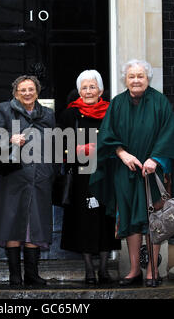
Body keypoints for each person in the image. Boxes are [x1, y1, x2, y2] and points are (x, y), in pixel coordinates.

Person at [89, 60, 174, 287]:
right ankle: (134, 271)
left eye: (140, 76)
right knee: (131, 218)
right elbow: (106, 135)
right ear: (125, 79)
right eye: (131, 76)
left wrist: (156, 158)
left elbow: (169, 133)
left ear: (147, 78)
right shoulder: (117, 104)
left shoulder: (160, 102)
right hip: (126, 170)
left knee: (155, 219)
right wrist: (122, 154)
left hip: (154, 171)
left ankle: (152, 270)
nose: (136, 80)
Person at [0, 75, 56, 286]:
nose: (27, 93)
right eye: (22, 90)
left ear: (37, 92)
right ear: (15, 93)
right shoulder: (4, 109)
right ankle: (15, 275)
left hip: (39, 178)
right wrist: (9, 137)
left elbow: (52, 145)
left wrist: (50, 170)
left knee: (34, 225)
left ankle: (32, 275)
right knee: (12, 223)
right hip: (12, 177)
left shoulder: (48, 114)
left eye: (31, 89)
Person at [59, 70, 121, 284]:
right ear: (78, 91)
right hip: (81, 176)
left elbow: (120, 139)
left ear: (101, 90)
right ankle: (88, 269)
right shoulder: (70, 114)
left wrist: (103, 149)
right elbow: (58, 146)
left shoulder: (112, 112)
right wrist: (79, 149)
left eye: (92, 87)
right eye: (84, 87)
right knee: (84, 221)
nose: (88, 91)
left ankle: (104, 269)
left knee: (106, 219)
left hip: (106, 174)